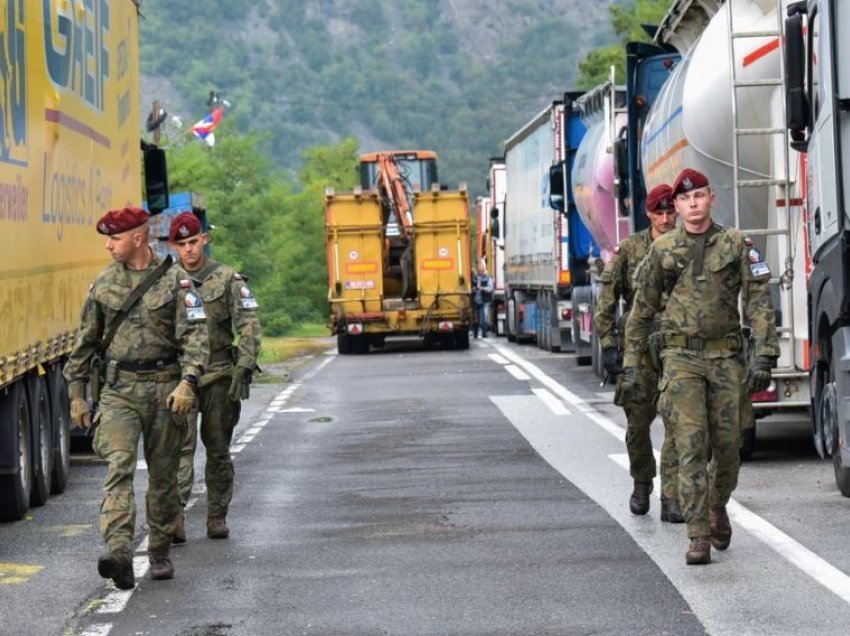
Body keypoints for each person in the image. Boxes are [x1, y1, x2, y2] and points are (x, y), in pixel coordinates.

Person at [622, 168, 778, 565]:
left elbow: (758, 302)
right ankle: (698, 535)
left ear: (711, 199)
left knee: (728, 448)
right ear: (675, 207)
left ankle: (716, 504)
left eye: (700, 197)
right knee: (690, 442)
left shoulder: (736, 245)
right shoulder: (663, 251)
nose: (693, 204)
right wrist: (631, 366)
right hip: (681, 359)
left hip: (726, 358)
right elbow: (642, 312)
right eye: (685, 200)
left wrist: (764, 354)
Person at [64, 206, 209, 589]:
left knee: (162, 477)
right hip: (118, 392)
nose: (109, 245)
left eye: (115, 238)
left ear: (139, 238)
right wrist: (77, 394)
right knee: (118, 470)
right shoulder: (103, 285)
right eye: (108, 239)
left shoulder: (176, 283)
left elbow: (196, 340)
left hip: (166, 390)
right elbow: (84, 343)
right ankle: (119, 552)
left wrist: (188, 383)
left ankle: (159, 549)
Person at [169, 212, 261, 542]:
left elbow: (249, 323)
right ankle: (175, 515)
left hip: (220, 375)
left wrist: (245, 366)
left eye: (193, 242)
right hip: (181, 378)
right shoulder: (166, 282)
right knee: (179, 450)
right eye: (182, 244)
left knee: (218, 448)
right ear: (173, 246)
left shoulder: (226, 279)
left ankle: (216, 514)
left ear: (204, 239)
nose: (189, 250)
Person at [594, 183, 682, 523]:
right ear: (648, 214)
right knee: (637, 423)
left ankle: (671, 497)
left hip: (677, 344)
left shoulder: (687, 246)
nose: (664, 218)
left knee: (678, 423)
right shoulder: (631, 249)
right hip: (640, 346)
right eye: (658, 212)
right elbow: (607, 298)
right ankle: (642, 480)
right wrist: (609, 346)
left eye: (669, 211)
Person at [471, 260, 494, 338]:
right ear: (477, 270)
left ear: (484, 269)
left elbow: (490, 288)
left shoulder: (488, 278)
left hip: (485, 301)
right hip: (475, 301)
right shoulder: (474, 278)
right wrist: (474, 289)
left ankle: (484, 333)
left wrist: (483, 288)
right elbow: (470, 287)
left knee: (484, 317)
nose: (481, 272)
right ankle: (475, 333)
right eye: (479, 270)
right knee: (476, 318)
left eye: (482, 270)